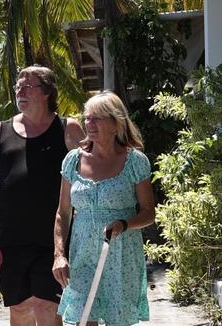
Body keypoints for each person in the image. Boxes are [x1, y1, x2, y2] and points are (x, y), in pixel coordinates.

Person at [0, 65, 84, 325]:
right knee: (21, 309)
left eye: (27, 86)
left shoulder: (68, 129)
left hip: (55, 241)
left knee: (47, 307)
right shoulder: (0, 132)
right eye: (18, 87)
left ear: (46, 92)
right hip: (11, 241)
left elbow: (91, 175)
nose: (20, 91)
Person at [52, 91, 155, 325]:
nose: (89, 123)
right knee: (84, 316)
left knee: (117, 320)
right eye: (87, 118)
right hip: (83, 254)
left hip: (121, 254)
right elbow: (63, 212)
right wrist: (59, 255)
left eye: (97, 118)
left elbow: (149, 212)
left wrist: (124, 224)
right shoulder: (73, 160)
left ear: (115, 122)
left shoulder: (135, 161)